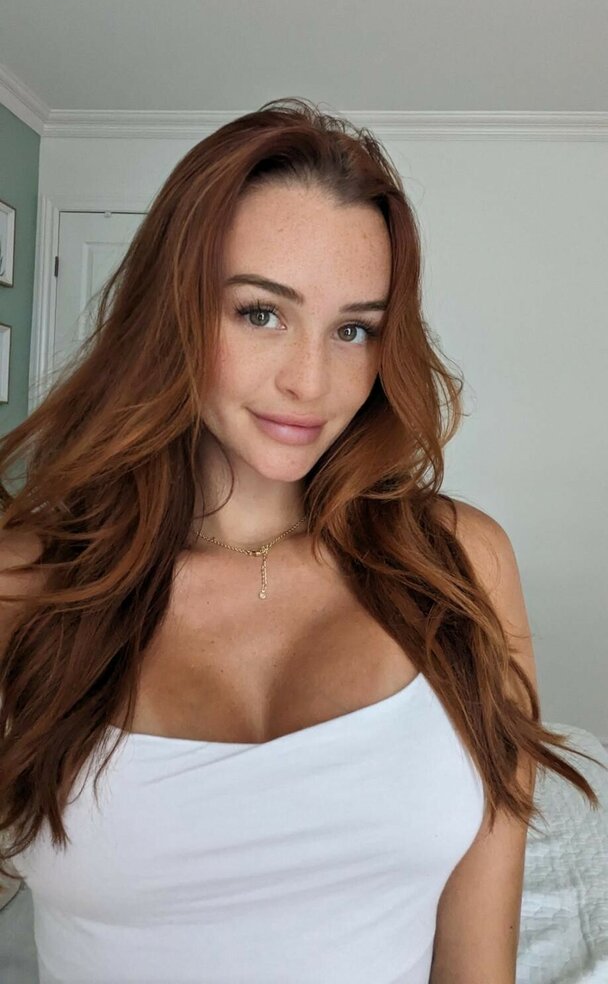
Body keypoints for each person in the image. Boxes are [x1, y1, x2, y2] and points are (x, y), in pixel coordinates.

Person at [0, 97, 603, 984]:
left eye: (354, 329)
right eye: (260, 313)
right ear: (171, 311)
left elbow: (478, 964)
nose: (311, 382)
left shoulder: (461, 565)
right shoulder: (29, 580)